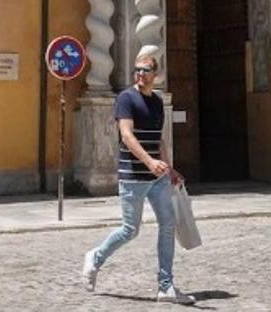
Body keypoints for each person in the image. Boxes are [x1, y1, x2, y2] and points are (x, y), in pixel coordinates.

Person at [82, 50, 194, 305]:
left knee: (168, 225)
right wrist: (149, 162)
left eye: (145, 70)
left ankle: (166, 286)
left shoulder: (156, 101)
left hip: (157, 179)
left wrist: (169, 168)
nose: (140, 74)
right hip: (133, 177)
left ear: (156, 74)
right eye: (137, 70)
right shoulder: (126, 99)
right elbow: (127, 136)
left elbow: (159, 139)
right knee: (129, 230)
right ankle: (95, 259)